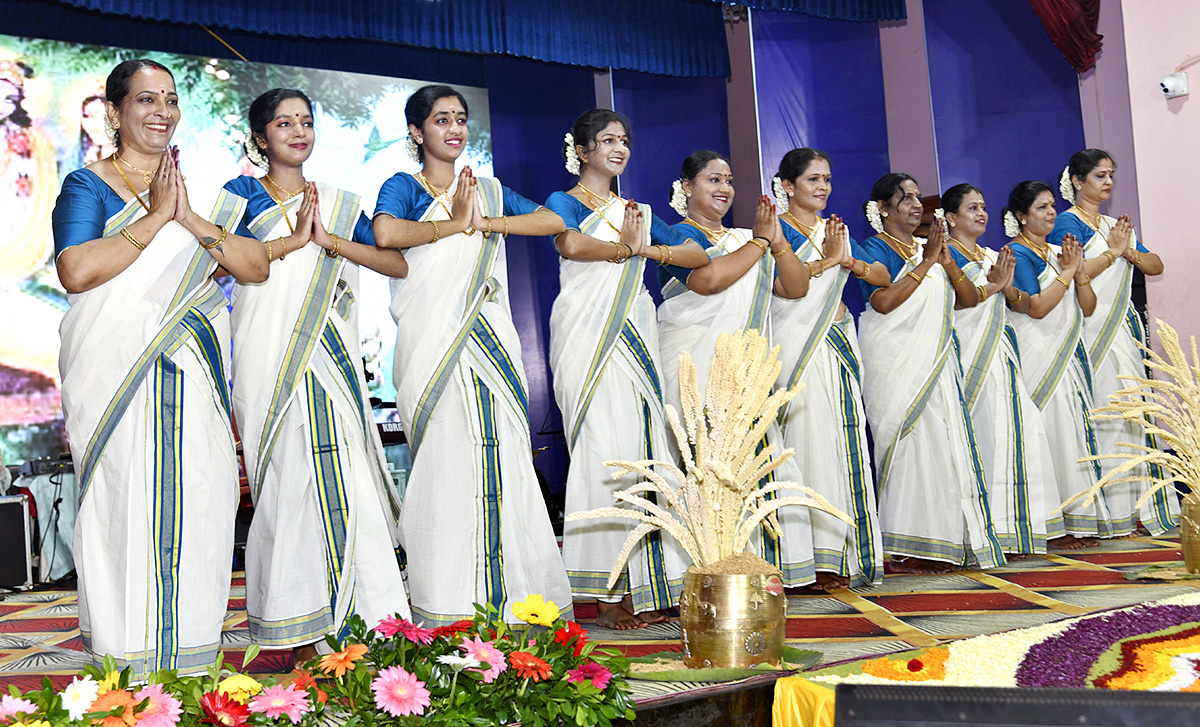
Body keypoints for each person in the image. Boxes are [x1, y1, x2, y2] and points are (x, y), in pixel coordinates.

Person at [52, 59, 268, 674]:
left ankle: (192, 660)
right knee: (129, 505)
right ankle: (128, 661)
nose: (161, 112)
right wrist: (155, 217)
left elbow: (254, 266)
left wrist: (187, 216)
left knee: (199, 504)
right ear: (115, 113)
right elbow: (77, 270)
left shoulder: (192, 197)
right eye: (146, 100)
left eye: (170, 100)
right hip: (121, 384)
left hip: (192, 382)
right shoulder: (87, 186)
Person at [220, 88, 411, 661]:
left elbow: (394, 262)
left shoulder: (338, 200)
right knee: (287, 483)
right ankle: (297, 625)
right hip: (270, 360)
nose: (298, 132)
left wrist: (331, 242)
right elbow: (225, 261)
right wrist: (293, 242)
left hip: (330, 356)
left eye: (306, 122)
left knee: (344, 481)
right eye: (284, 123)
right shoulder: (238, 197)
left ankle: (372, 620)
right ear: (261, 137)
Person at [372, 84, 571, 626]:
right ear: (417, 131)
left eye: (460, 119)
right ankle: (446, 597)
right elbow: (385, 232)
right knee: (448, 461)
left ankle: (514, 594)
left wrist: (484, 222)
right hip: (434, 349)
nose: (454, 128)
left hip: (489, 341)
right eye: (441, 120)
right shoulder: (403, 185)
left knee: (502, 458)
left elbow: (555, 221)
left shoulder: (486, 188)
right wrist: (450, 226)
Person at [545, 109, 708, 629]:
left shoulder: (634, 209)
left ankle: (651, 581)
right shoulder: (564, 202)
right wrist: (626, 249)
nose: (619, 148)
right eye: (607, 140)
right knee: (601, 453)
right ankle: (605, 590)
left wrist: (652, 248)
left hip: (635, 337)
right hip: (588, 337)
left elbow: (696, 253)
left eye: (625, 140)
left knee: (645, 450)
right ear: (583, 150)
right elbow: (569, 242)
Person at [658, 150, 817, 587]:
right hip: (697, 367)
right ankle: (706, 569)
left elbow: (796, 287)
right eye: (713, 179)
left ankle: (760, 569)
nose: (725, 188)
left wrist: (778, 243)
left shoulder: (750, 238)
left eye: (729, 180)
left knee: (756, 464)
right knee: (704, 465)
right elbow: (707, 281)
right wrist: (761, 243)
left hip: (745, 373)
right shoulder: (676, 236)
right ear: (687, 186)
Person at [856, 173, 1004, 574]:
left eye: (918, 197)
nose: (916, 204)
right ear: (883, 209)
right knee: (909, 446)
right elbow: (883, 302)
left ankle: (943, 541)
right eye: (905, 198)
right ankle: (904, 545)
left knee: (943, 447)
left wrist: (989, 284)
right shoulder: (876, 247)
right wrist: (925, 264)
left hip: (937, 362)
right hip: (896, 362)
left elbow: (965, 299)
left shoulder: (931, 245)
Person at [770, 149, 887, 590]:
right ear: (787, 185)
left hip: (836, 344)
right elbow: (785, 289)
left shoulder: (831, 229)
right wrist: (829, 261)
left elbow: (881, 277)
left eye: (827, 179)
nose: (822, 187)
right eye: (813, 179)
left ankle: (844, 554)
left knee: (842, 444)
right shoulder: (774, 229)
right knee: (809, 445)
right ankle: (811, 559)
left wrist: (849, 260)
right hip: (798, 346)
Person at [1050, 150, 1176, 535]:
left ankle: (1139, 508)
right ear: (1077, 181)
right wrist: (1112, 253)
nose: (1108, 182)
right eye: (1100, 175)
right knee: (1106, 415)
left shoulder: (1114, 224)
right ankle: (1109, 511)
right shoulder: (1067, 224)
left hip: (1122, 331)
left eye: (1110, 176)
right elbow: (1072, 271)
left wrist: (1128, 250)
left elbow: (1156, 265)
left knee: (1132, 414)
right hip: (1090, 331)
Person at [941, 183, 1063, 555]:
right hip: (969, 356)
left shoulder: (994, 254)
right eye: (972, 208)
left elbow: (1019, 303)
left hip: (1001, 355)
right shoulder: (947, 257)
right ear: (950, 218)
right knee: (984, 437)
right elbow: (957, 306)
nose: (981, 214)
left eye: (983, 207)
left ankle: (1014, 527)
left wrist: (1007, 289)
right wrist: (994, 287)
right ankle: (983, 530)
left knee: (1015, 433)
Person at [1002, 180, 1107, 547]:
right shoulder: (1018, 253)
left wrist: (1079, 274)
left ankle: (1076, 517)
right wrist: (1067, 272)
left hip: (1065, 355)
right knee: (1046, 435)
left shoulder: (1055, 251)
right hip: (1037, 355)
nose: (1050, 213)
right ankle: (1051, 524)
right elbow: (1037, 307)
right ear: (1021, 216)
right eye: (1041, 208)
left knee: (1070, 433)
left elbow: (1088, 307)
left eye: (1051, 206)